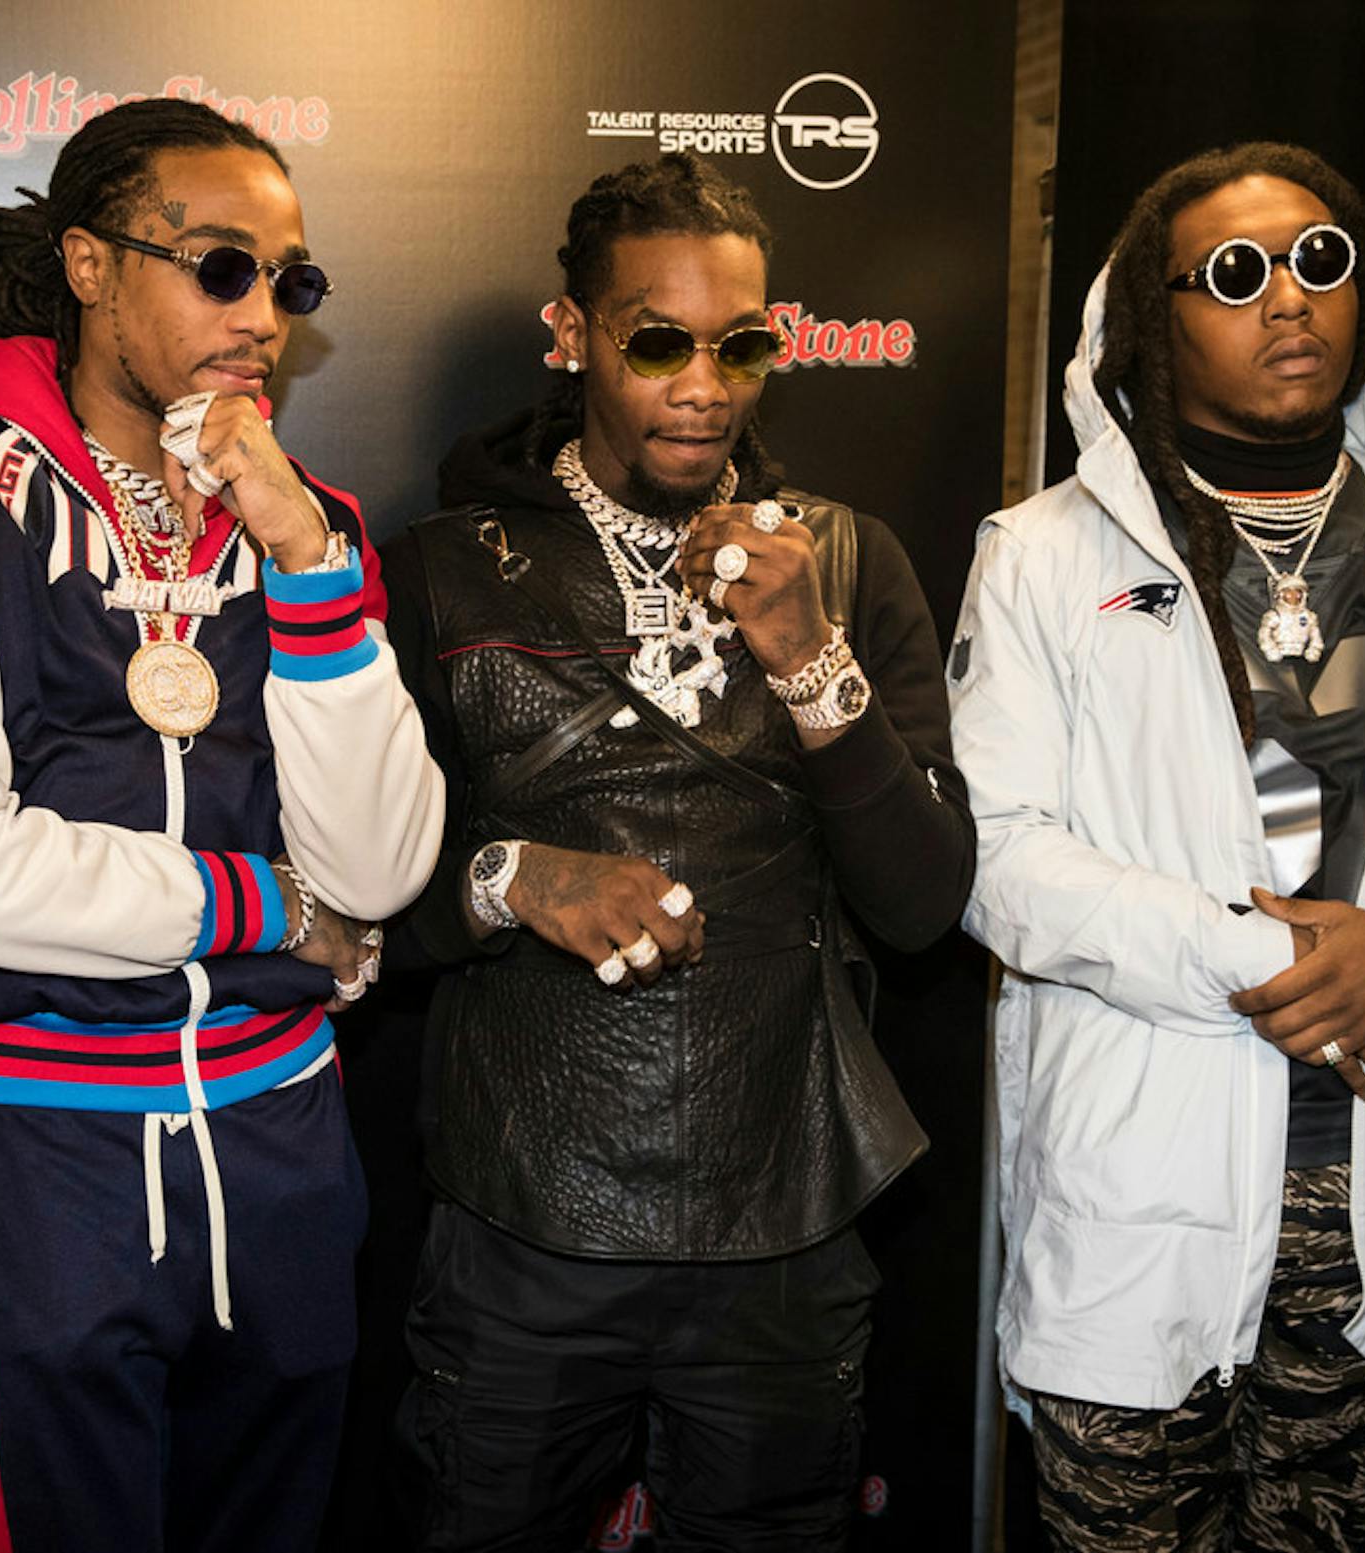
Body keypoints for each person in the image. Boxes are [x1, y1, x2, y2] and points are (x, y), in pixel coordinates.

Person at [0, 99, 443, 1552]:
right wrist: (265, 908)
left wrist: (302, 556)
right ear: (91, 265)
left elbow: (384, 866)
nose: (265, 316)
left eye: (292, 283)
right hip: (38, 1146)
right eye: (221, 266)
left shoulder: (313, 519)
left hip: (284, 1137)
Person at [948, 142, 1365, 1550]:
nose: (1289, 298)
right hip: (1141, 1198)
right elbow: (998, 855)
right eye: (1235, 273)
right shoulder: (1044, 553)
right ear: (1155, 318)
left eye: (1321, 260)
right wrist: (1286, 961)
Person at [377, 153, 975, 1551]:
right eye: (657, 341)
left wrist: (810, 658)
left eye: (744, 343)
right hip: (527, 1214)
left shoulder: (849, 558)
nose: (705, 383)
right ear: (572, 334)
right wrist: (516, 875)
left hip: (783, 1210)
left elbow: (925, 904)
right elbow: (356, 897)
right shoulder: (442, 570)